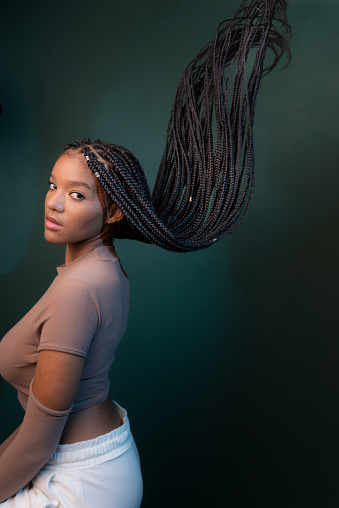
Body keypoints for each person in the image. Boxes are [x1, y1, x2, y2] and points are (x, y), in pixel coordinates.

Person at [0, 1, 291, 506]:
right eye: (53, 184)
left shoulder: (77, 289)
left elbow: (38, 439)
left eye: (76, 194)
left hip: (80, 481)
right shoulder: (102, 268)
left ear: (112, 212)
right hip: (96, 458)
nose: (52, 201)